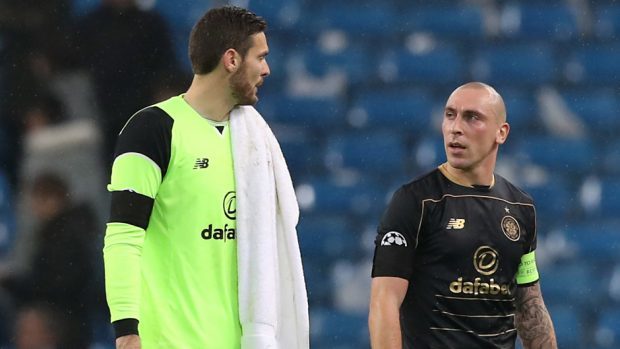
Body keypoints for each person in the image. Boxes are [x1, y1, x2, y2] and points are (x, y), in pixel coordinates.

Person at [104, 6, 308, 349]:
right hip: (167, 341)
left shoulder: (253, 142)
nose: (267, 69)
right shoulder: (152, 130)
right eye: (260, 57)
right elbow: (123, 238)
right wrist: (126, 330)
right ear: (231, 59)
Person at [369, 82, 557, 349]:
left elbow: (530, 304)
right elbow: (384, 300)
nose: (455, 127)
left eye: (472, 117)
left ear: (501, 133)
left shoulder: (521, 208)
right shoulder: (415, 201)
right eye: (450, 115)